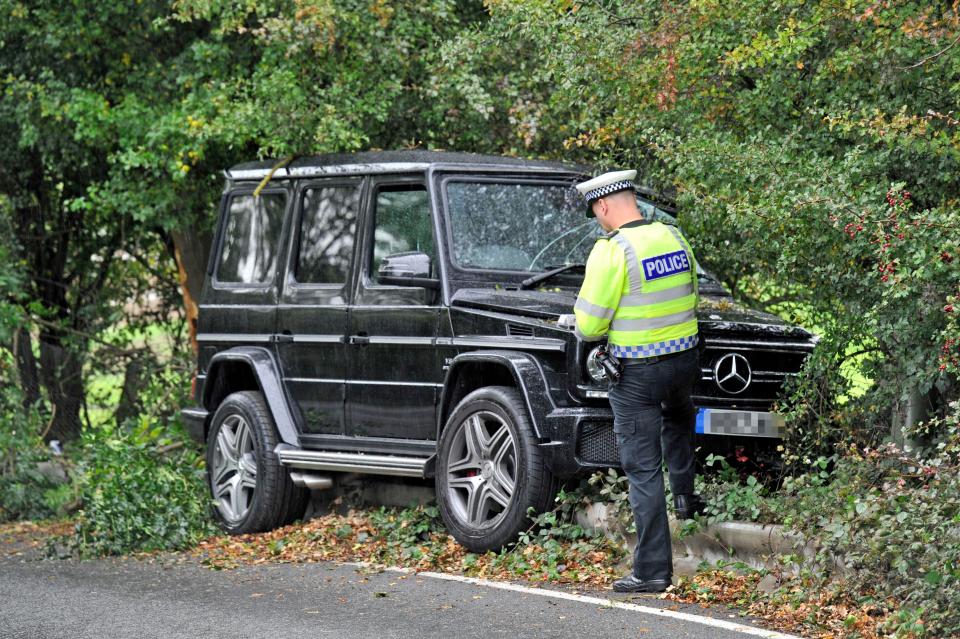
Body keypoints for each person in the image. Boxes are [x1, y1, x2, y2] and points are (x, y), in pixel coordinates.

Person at [572, 170, 705, 593]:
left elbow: (590, 325)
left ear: (605, 206)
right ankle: (686, 496)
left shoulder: (612, 250)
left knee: (643, 469)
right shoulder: (673, 237)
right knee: (679, 418)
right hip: (683, 360)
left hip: (638, 374)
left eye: (596, 214)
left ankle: (651, 571)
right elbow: (691, 295)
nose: (599, 221)